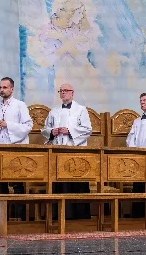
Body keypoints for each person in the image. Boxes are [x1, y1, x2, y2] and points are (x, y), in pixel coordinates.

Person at [42, 84, 93, 219]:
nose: (63, 93)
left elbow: (88, 129)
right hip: (58, 151)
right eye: (61, 91)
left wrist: (69, 131)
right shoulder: (54, 111)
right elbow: (44, 129)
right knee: (59, 183)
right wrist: (52, 132)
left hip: (75, 152)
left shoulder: (81, 110)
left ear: (72, 93)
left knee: (76, 183)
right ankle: (59, 215)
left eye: (66, 91)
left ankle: (79, 216)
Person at [0, 77, 33, 220]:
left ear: (12, 89)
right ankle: (3, 219)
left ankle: (20, 218)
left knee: (17, 183)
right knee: (0, 185)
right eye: (0, 87)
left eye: (5, 87)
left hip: (15, 149)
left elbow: (28, 126)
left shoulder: (20, 105)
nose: (2, 90)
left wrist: (8, 125)